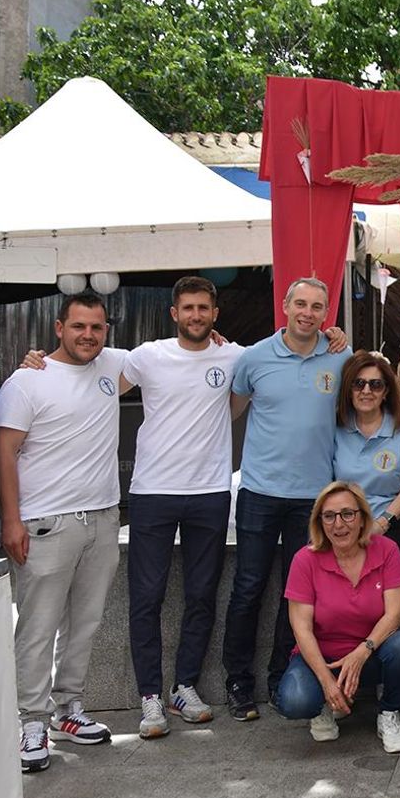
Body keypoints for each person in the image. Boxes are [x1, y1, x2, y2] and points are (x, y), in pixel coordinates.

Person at [0, 291, 126, 773]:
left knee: (85, 623)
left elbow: (179, 353)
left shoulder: (113, 365)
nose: (88, 335)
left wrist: (212, 337)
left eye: (96, 327)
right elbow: (5, 453)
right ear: (58, 328)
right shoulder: (27, 381)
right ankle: (31, 719)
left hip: (103, 516)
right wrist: (12, 520)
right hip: (46, 522)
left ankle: (69, 708)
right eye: (79, 327)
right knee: (37, 627)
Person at [223, 277, 351, 721]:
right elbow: (229, 409)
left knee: (298, 597)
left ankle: (282, 677)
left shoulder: (339, 356)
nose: (308, 313)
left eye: (317, 306)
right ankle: (238, 681)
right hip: (259, 492)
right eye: (300, 303)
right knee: (248, 588)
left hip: (314, 501)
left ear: (326, 313)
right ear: (284, 305)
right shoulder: (254, 358)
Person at [121, 276, 243, 737]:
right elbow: (91, 374)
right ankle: (149, 696)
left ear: (215, 314)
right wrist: (39, 363)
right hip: (152, 491)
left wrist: (335, 336)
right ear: (175, 313)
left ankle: (184, 686)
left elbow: (276, 358)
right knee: (146, 598)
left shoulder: (233, 356)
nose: (196, 315)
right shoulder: (147, 355)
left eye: (203, 308)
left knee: (201, 594)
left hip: (210, 490)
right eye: (188, 308)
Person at [277, 481, 400, 752]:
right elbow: (301, 629)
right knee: (294, 702)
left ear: (362, 517)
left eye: (347, 514)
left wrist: (362, 652)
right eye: (329, 516)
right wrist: (326, 681)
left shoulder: (386, 550)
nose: (338, 524)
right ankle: (325, 704)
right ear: (319, 521)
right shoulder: (304, 559)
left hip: (371, 654)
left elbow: (395, 614)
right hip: (321, 659)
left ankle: (388, 713)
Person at [332, 350, 400, 561]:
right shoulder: (335, 427)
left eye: (375, 384)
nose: (366, 390)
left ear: (386, 391)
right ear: (348, 390)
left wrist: (382, 522)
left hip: (392, 519)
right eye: (358, 384)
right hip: (342, 520)